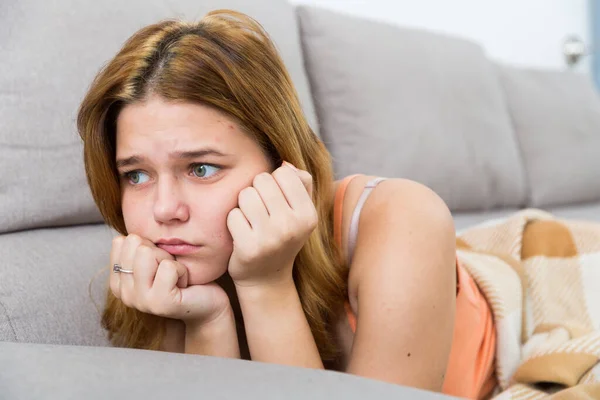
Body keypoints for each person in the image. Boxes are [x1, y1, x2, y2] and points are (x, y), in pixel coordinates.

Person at [77, 10, 496, 399]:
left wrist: (265, 284)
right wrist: (206, 320)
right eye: (137, 175)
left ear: (281, 160)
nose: (164, 210)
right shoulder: (154, 274)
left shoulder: (405, 216)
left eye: (201, 169)